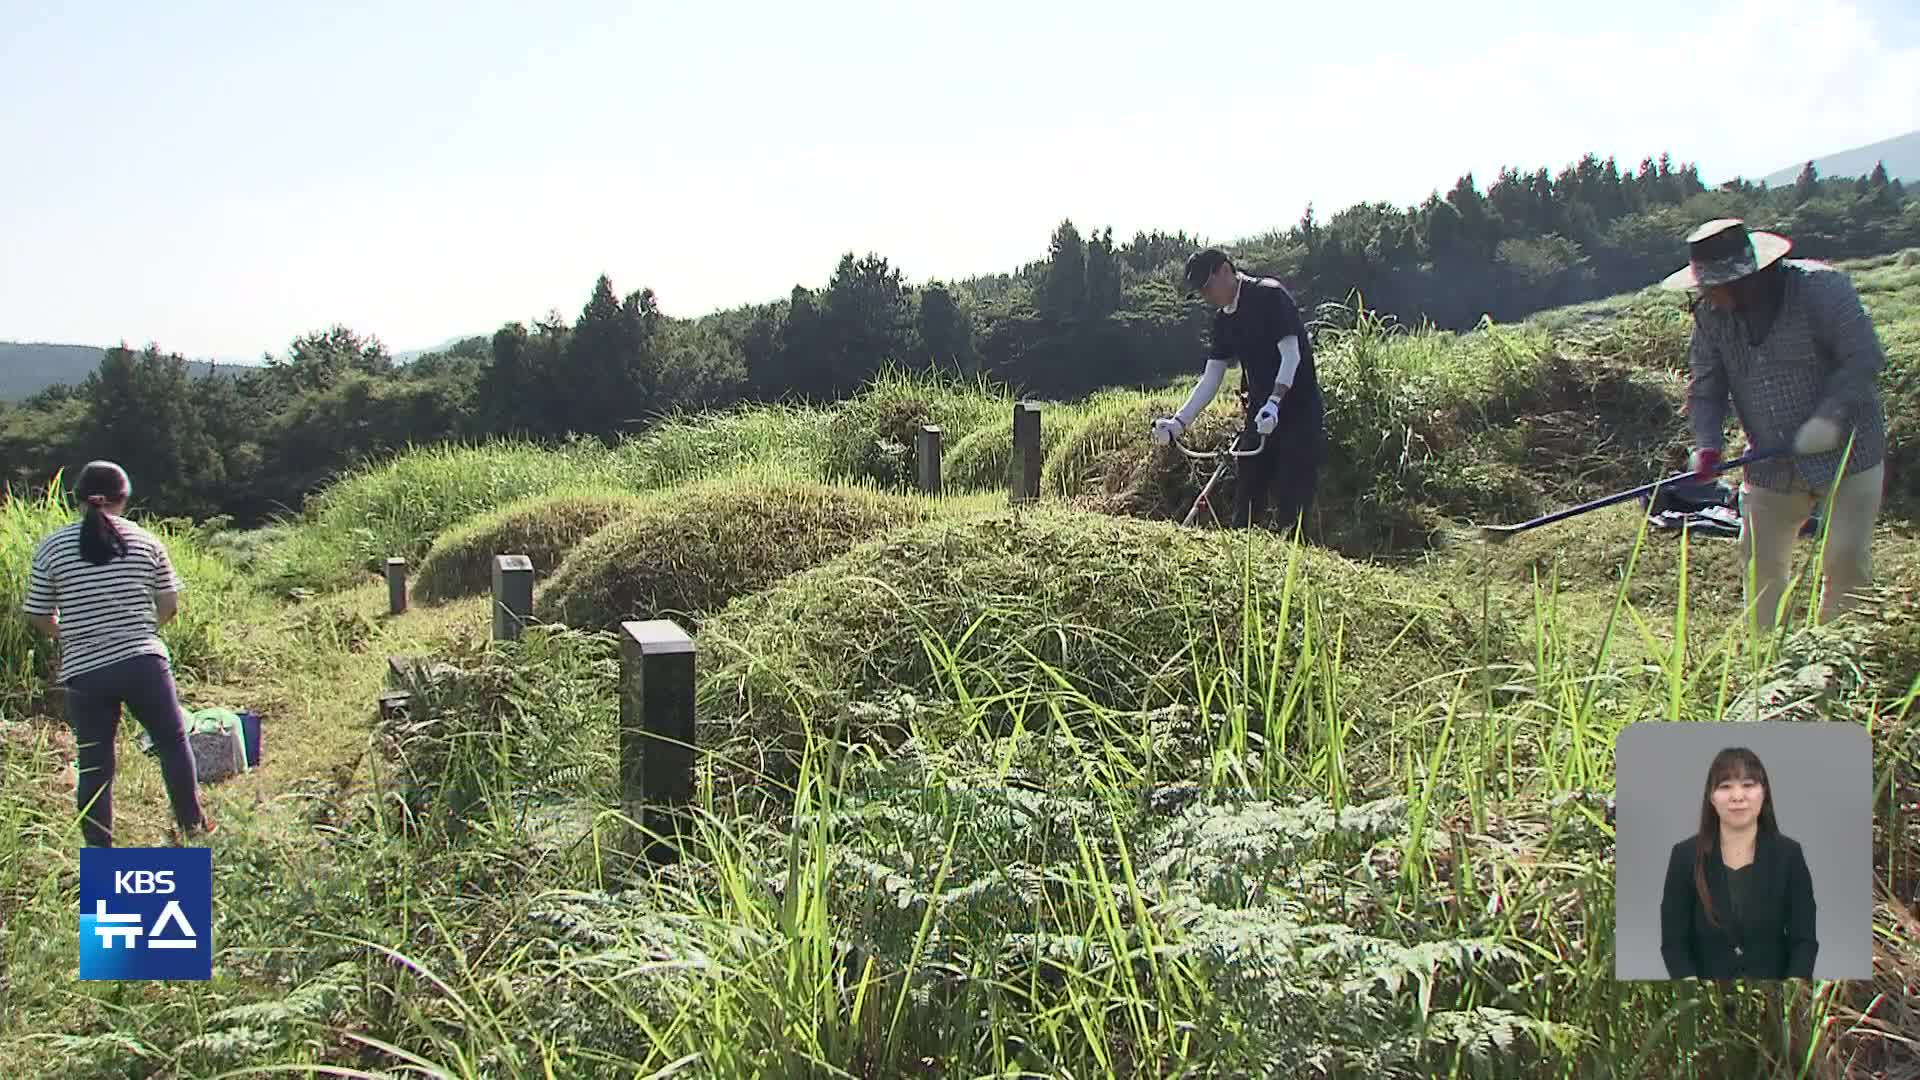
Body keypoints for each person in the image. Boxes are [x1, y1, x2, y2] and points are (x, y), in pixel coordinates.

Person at [1668, 218, 1888, 631]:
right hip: (1770, 459)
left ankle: (1836, 657)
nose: (1707, 294)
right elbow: (1707, 388)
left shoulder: (1822, 290)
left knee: (1845, 559)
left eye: (1715, 285)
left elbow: (1864, 358)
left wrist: (1829, 417)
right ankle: (1768, 660)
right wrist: (1708, 445)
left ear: (1750, 277)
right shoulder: (1712, 315)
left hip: (1849, 451)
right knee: (1760, 560)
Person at [20, 460, 214, 846]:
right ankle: (193, 827)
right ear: (123, 498)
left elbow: (37, 613)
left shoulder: (52, 548)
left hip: (85, 671)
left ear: (77, 499)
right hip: (143, 660)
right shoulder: (146, 541)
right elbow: (169, 605)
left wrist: (67, 635)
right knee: (172, 742)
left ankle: (100, 851)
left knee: (94, 764)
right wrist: (143, 631)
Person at [1151, 247, 1325, 533]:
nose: (1206, 297)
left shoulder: (1270, 296)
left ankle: (1296, 561)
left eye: (1208, 287)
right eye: (1200, 292)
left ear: (1225, 270)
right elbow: (1212, 378)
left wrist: (1275, 402)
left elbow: (1291, 355)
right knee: (1246, 502)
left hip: (1297, 413)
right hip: (1259, 416)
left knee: (1292, 506)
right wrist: (1178, 423)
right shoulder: (1223, 321)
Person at [1658, 746, 1817, 980]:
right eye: (1725, 786)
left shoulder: (1789, 855)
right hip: (1705, 1001)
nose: (1738, 796)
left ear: (1764, 793)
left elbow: (1804, 939)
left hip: (1773, 1000)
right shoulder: (1685, 856)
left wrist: (1791, 993)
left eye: (1748, 785)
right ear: (1711, 797)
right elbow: (1673, 942)